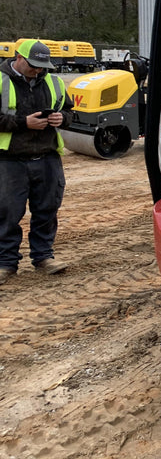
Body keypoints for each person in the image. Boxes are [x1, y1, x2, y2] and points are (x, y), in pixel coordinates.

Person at [0, 39, 74, 285]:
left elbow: (71, 113)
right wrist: (24, 123)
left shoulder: (53, 82)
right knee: (7, 213)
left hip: (47, 157)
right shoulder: (1, 81)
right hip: (10, 160)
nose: (38, 70)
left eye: (42, 66)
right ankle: (5, 262)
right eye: (33, 65)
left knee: (47, 209)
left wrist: (61, 118)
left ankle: (43, 257)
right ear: (18, 57)